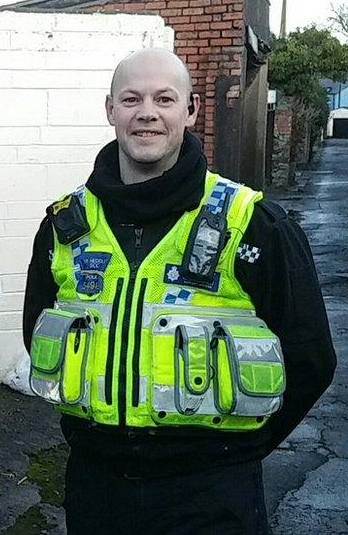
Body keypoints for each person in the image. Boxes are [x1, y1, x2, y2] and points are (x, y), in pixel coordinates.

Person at [22, 48, 337, 534]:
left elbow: (311, 357)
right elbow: (37, 329)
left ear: (190, 110)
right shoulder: (66, 226)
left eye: (164, 99)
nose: (147, 112)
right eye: (131, 99)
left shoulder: (253, 225)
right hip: (96, 489)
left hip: (211, 496)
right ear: (110, 110)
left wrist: (239, 451)